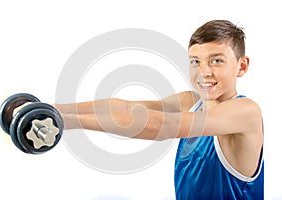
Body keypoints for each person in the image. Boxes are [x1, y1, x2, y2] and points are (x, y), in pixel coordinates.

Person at [54, 20, 264, 199]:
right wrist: (55, 110)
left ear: (242, 66)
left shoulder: (245, 112)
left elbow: (161, 125)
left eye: (216, 61)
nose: (204, 72)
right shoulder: (192, 101)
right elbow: (127, 107)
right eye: (195, 61)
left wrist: (69, 121)